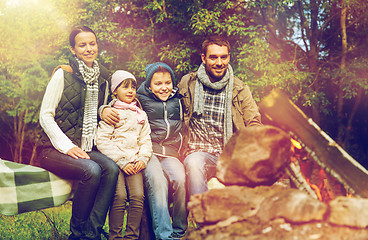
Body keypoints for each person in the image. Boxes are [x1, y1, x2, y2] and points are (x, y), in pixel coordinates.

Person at [38, 26, 119, 240]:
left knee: (111, 168)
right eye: (82, 45)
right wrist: (68, 147)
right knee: (91, 170)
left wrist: (104, 109)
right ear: (73, 49)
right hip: (53, 149)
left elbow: (100, 109)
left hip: (86, 145)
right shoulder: (63, 74)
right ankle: (77, 234)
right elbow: (45, 116)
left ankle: (92, 233)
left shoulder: (103, 77)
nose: (89, 48)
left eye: (92, 43)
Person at [177, 35, 262, 197]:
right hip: (197, 152)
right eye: (213, 57)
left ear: (229, 57)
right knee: (194, 163)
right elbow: (164, 102)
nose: (219, 63)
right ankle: (204, 217)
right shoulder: (188, 83)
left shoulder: (240, 88)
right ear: (204, 58)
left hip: (229, 153)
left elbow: (254, 123)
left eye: (224, 57)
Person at [96, 70, 153, 240]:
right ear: (115, 91)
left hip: (135, 162)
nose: (130, 91)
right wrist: (121, 161)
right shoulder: (111, 113)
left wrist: (143, 158)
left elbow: (145, 139)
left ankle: (131, 236)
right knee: (119, 197)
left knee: (137, 196)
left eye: (133, 87)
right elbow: (102, 141)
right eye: (125, 87)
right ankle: (115, 236)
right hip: (116, 163)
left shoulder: (140, 114)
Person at [136, 62, 187, 240]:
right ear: (149, 85)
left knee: (181, 179)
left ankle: (180, 232)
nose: (164, 88)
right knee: (157, 182)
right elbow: (118, 103)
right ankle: (164, 236)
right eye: (158, 84)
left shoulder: (178, 100)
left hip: (171, 152)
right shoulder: (139, 99)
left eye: (167, 83)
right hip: (148, 151)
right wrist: (104, 109)